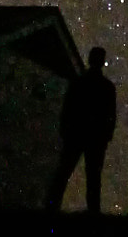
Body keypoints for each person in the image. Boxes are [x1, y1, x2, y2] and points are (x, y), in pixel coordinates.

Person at [46, 46, 117, 213]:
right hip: (94, 137)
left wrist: (65, 129)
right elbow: (110, 114)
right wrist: (107, 135)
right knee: (93, 177)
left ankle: (52, 206)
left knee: (64, 172)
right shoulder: (106, 87)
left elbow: (68, 108)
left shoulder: (79, 82)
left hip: (77, 134)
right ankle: (93, 211)